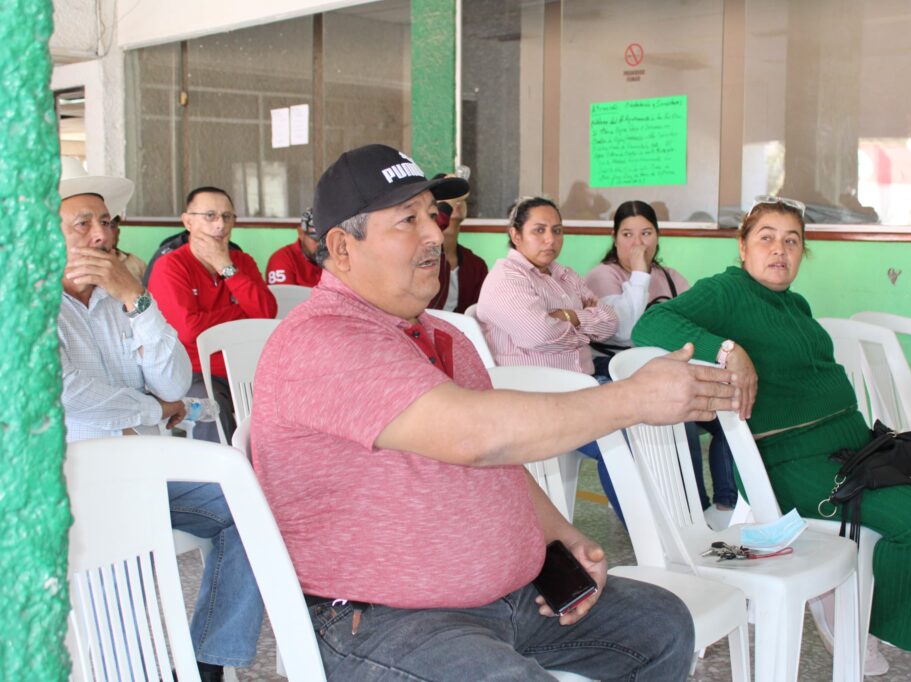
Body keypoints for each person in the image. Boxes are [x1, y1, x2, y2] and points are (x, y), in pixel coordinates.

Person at [251, 144, 743, 681]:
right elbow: (475, 435)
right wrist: (634, 399)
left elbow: (496, 461)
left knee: (660, 626)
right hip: (383, 620)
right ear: (343, 248)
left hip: (510, 601)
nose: (435, 234)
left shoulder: (440, 335)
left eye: (432, 216)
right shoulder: (324, 338)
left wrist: (561, 537)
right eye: (407, 220)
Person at [633, 195, 911, 672]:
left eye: (792, 241)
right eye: (767, 238)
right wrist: (728, 349)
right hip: (793, 464)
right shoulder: (727, 291)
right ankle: (854, 620)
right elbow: (650, 323)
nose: (780, 250)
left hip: (854, 449)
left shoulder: (795, 302)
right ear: (742, 247)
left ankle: (863, 601)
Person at [56, 169, 264, 682]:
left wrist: (136, 299)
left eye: (106, 222)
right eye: (82, 225)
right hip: (70, 482)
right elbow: (68, 395)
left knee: (253, 509)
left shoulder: (119, 298)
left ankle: (207, 662)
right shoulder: (27, 306)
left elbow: (173, 381)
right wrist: (153, 410)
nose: (102, 236)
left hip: (144, 471)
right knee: (114, 595)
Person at [586, 200, 736, 514]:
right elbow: (625, 331)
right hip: (618, 370)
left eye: (646, 233)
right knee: (685, 419)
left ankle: (727, 505)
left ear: (658, 237)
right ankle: (695, 508)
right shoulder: (603, 276)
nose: (637, 243)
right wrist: (639, 274)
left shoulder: (669, 276)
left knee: (730, 414)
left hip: (671, 368)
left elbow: (698, 321)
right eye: (627, 234)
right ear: (615, 239)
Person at [149, 186, 277, 442]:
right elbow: (189, 330)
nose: (220, 224)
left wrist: (225, 266)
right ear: (188, 221)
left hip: (249, 366)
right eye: (210, 216)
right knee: (212, 410)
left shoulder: (242, 262)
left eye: (227, 216)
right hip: (194, 371)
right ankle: (222, 478)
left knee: (291, 402)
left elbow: (266, 312)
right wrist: (242, 315)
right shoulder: (170, 266)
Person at [476, 196, 617, 374]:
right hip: (535, 389)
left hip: (583, 381)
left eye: (557, 231)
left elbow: (610, 322)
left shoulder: (565, 275)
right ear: (516, 235)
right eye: (539, 230)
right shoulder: (506, 277)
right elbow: (539, 335)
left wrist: (568, 316)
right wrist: (587, 329)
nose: (550, 239)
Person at [426, 173, 488, 312]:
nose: (456, 201)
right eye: (446, 197)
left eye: (459, 197)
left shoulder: (476, 265)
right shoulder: (423, 255)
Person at [265, 208, 322, 286]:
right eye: (316, 239)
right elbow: (283, 296)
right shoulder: (283, 259)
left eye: (326, 240)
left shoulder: (336, 257)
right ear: (301, 233)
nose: (321, 244)